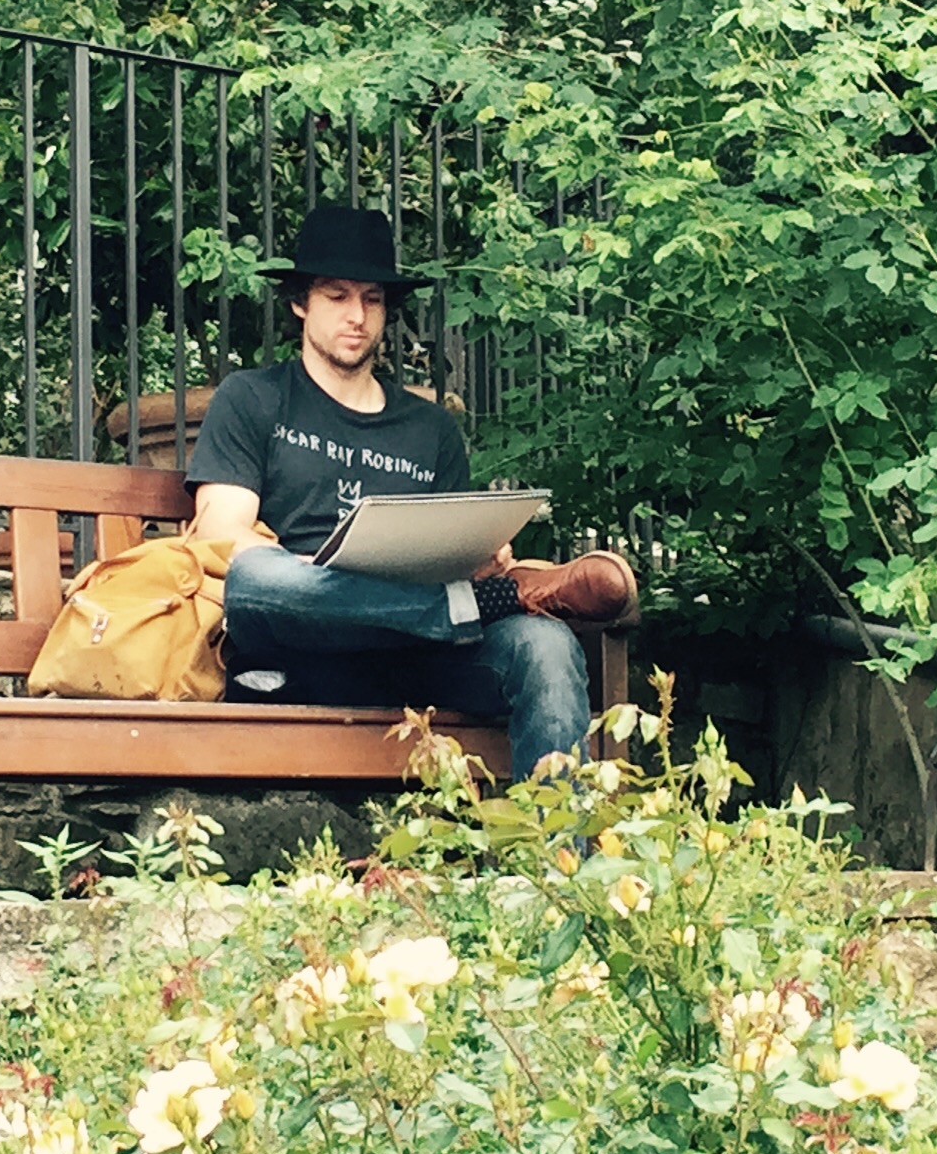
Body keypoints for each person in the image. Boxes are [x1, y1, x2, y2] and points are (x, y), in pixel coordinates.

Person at [185, 204, 636, 776]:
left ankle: (554, 859)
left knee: (545, 647)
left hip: (420, 656)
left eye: (372, 299)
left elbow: (453, 551)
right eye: (337, 296)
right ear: (300, 302)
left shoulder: (430, 428)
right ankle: (477, 605)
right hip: (299, 648)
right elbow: (222, 535)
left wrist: (484, 562)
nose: (357, 315)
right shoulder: (252, 399)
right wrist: (321, 575)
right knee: (258, 579)